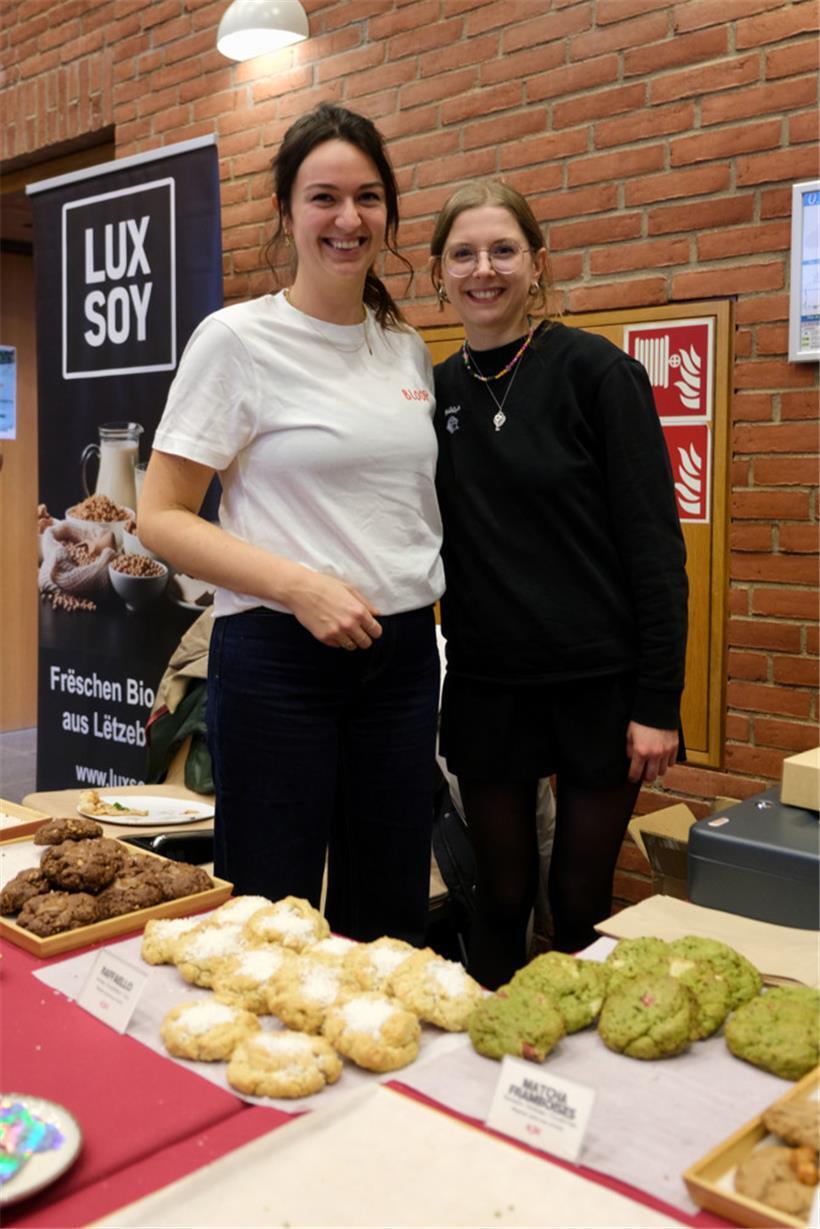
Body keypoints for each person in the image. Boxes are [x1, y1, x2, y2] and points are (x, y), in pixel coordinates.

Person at [139, 103, 444, 945]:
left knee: (389, 918)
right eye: (324, 198)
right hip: (278, 655)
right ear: (285, 210)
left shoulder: (405, 348)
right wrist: (301, 587)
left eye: (368, 197)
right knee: (270, 913)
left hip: (402, 660)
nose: (349, 219)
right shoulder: (237, 340)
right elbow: (159, 516)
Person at [430, 180, 688, 988]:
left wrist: (658, 702)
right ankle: (490, 1047)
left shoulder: (598, 373)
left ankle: (578, 1058)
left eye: (503, 250)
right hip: (488, 683)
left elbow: (655, 547)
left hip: (598, 685)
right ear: (439, 273)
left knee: (579, 902)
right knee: (500, 897)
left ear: (537, 263)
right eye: (463, 254)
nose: (483, 269)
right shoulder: (432, 393)